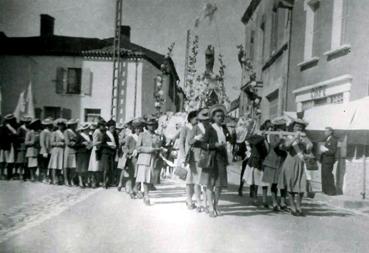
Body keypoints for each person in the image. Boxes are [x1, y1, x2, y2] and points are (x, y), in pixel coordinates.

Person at [198, 105, 229, 218]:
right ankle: (210, 207)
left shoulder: (224, 129)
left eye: (222, 116)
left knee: (219, 185)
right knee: (210, 184)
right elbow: (202, 144)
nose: (220, 118)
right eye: (218, 116)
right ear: (213, 117)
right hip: (212, 159)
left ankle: (216, 205)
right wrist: (213, 145)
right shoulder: (210, 129)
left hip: (221, 159)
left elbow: (230, 140)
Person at [278, 119, 312, 216]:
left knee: (301, 186)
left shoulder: (304, 137)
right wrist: (294, 138)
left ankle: (299, 206)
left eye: (300, 127)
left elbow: (309, 149)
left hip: (301, 163)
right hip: (290, 163)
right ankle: (292, 207)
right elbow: (286, 146)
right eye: (297, 126)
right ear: (293, 127)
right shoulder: (288, 136)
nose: (298, 128)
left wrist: (308, 146)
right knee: (290, 185)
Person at [136, 116, 164, 205]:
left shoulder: (157, 136)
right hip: (144, 158)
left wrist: (160, 149)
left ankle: (144, 193)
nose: (151, 127)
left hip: (154, 159)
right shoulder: (142, 135)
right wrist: (149, 149)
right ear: (146, 126)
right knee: (145, 178)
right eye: (149, 125)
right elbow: (138, 148)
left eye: (153, 125)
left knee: (150, 178)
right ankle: (146, 196)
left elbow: (158, 146)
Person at [261, 122, 288, 211]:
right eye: (280, 127)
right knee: (274, 183)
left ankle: (283, 202)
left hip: (282, 161)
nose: (282, 129)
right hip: (273, 161)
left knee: (283, 183)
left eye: (283, 128)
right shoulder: (273, 135)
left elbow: (287, 147)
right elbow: (274, 146)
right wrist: (280, 139)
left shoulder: (286, 136)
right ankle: (275, 202)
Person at [243, 122, 269, 207]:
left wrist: (265, 139)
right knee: (254, 181)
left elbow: (268, 150)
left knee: (265, 182)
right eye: (265, 129)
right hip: (255, 161)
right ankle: (255, 199)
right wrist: (262, 137)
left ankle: (265, 200)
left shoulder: (267, 137)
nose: (267, 131)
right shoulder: (255, 137)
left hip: (263, 161)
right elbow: (250, 141)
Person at [180, 110, 200, 210]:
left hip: (197, 157)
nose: (198, 120)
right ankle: (189, 200)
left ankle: (191, 199)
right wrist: (183, 156)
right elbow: (181, 143)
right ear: (191, 118)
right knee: (189, 179)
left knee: (195, 179)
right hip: (188, 157)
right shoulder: (185, 128)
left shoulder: (199, 128)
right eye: (196, 119)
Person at [119, 119, 141, 197]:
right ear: (134, 129)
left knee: (138, 175)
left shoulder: (141, 137)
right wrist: (128, 152)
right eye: (136, 128)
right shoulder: (130, 137)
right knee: (131, 174)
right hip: (132, 158)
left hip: (140, 157)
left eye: (139, 128)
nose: (138, 130)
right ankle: (131, 190)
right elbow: (124, 147)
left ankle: (136, 189)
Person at [100, 119, 118, 189]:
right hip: (106, 153)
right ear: (108, 127)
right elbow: (102, 144)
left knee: (111, 168)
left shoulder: (115, 134)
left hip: (112, 153)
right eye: (111, 128)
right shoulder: (105, 134)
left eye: (114, 127)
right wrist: (109, 145)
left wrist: (116, 146)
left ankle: (109, 182)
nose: (113, 129)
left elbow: (117, 143)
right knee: (106, 169)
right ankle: (104, 182)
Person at [48, 119, 66, 185]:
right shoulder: (55, 133)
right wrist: (59, 143)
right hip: (56, 150)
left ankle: (58, 178)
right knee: (54, 165)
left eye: (62, 125)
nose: (61, 126)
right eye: (59, 125)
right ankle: (53, 179)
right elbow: (52, 143)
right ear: (57, 126)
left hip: (62, 150)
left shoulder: (64, 132)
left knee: (59, 165)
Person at [320, 127, 338, 196]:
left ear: (331, 132)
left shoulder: (333, 140)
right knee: (324, 175)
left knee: (328, 175)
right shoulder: (327, 139)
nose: (325, 133)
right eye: (325, 131)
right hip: (325, 160)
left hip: (329, 160)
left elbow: (333, 151)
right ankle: (325, 190)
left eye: (326, 131)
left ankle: (331, 191)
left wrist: (325, 150)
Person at [0, 114, 18, 180]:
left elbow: (15, 133)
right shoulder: (3, 127)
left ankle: (8, 174)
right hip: (4, 146)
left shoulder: (13, 126)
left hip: (9, 145)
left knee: (9, 161)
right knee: (3, 161)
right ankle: (2, 174)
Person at [88, 120, 105, 188]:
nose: (103, 127)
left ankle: (97, 181)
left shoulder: (101, 132)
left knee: (98, 167)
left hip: (99, 150)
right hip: (96, 150)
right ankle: (93, 182)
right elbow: (94, 143)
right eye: (102, 126)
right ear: (99, 125)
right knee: (94, 167)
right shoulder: (96, 132)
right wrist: (102, 142)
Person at [15, 116, 32, 180]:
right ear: (24, 122)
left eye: (28, 122)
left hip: (28, 147)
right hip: (21, 146)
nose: (27, 123)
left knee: (27, 161)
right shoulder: (20, 128)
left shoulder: (29, 129)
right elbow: (17, 137)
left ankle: (26, 174)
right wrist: (25, 139)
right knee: (21, 162)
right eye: (26, 122)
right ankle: (20, 174)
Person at [64, 119, 78, 186]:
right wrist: (75, 143)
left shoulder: (76, 132)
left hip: (74, 150)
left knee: (73, 166)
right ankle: (66, 180)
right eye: (74, 124)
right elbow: (67, 142)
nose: (76, 125)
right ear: (71, 125)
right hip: (69, 150)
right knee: (67, 165)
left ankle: (71, 179)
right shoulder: (67, 131)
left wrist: (76, 143)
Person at [39, 118, 53, 183]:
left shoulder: (50, 132)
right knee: (44, 165)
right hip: (45, 151)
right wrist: (44, 151)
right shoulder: (44, 132)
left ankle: (48, 177)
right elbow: (42, 142)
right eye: (50, 124)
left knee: (48, 165)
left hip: (50, 151)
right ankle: (44, 177)